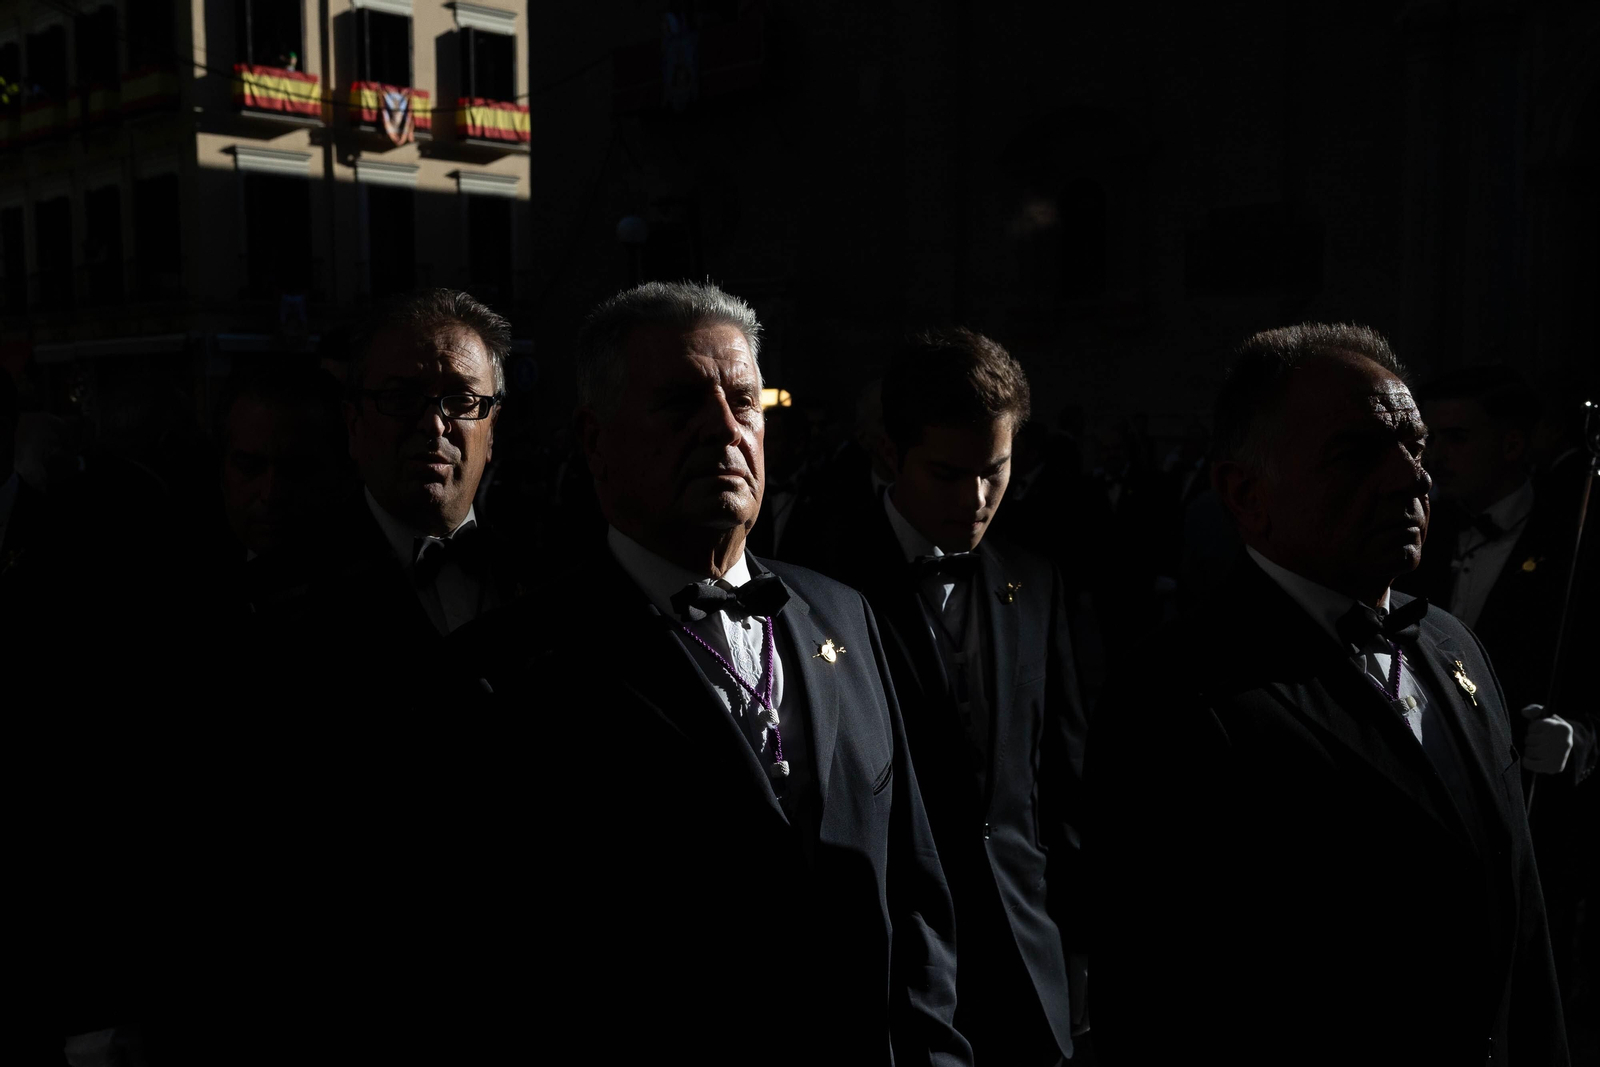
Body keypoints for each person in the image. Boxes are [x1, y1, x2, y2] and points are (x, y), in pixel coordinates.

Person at [457, 280, 971, 1066]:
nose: (723, 431)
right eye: (680, 404)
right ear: (594, 441)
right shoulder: (512, 669)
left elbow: (916, 895)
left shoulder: (844, 616)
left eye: (744, 402)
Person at [1087, 323, 1568, 1065]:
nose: (1410, 477)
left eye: (1415, 446)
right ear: (1244, 492)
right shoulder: (1179, 694)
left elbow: (1521, 918)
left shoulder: (1453, 644)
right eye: (1357, 453)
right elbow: (1163, 1003)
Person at [814, 327, 1088, 1065]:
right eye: (946, 474)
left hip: (1034, 969)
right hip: (897, 977)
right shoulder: (820, 585)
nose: (975, 500)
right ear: (887, 454)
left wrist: (1078, 965)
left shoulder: (1035, 579)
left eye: (995, 472)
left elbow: (1061, 785)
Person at [1400, 365, 1596, 1051]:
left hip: (1528, 819)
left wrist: (1583, 738)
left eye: (1455, 437)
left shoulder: (1576, 542)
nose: (1432, 456)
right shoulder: (1413, 528)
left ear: (1512, 445)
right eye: (1429, 438)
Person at [274, 288, 525, 701]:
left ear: (492, 429)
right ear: (353, 425)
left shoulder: (549, 574)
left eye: (461, 400)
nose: (435, 425)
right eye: (402, 398)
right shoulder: (281, 597)